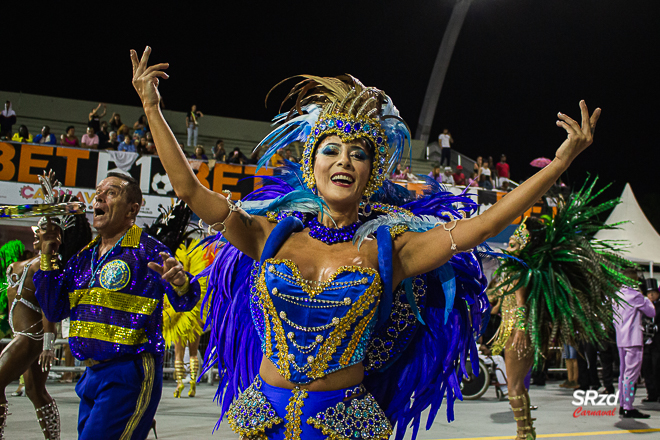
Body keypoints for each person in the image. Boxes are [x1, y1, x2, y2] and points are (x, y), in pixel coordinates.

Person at [132, 47, 599, 439]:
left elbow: (478, 228)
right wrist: (152, 109)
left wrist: (557, 166)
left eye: (358, 154)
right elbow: (190, 190)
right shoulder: (267, 234)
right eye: (330, 150)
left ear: (371, 174)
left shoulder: (390, 251)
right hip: (262, 416)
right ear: (312, 166)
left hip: (342, 422)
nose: (344, 161)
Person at [35, 172, 201, 439]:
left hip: (129, 373)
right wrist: (47, 255)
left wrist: (181, 283)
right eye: (98, 192)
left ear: (132, 209)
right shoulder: (83, 258)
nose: (99, 196)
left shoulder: (148, 251)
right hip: (90, 377)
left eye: (111, 192)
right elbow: (54, 309)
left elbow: (185, 301)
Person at [489, 187, 634, 440]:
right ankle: (526, 431)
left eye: (515, 240)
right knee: (518, 385)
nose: (510, 243)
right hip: (519, 331)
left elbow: (521, 302)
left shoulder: (518, 270)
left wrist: (521, 329)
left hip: (517, 333)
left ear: (524, 243)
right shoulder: (522, 268)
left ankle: (523, 433)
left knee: (513, 386)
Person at [0, 173, 93, 440]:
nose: (36, 234)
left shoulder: (47, 265)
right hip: (23, 337)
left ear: (55, 238)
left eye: (42, 231)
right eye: (37, 230)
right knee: (35, 392)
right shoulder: (24, 264)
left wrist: (48, 345)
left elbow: (48, 307)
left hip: (31, 338)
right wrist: (49, 195)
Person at [144, 201, 214, 398]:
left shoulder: (177, 256)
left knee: (178, 351)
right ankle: (191, 382)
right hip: (191, 311)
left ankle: (179, 384)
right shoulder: (194, 256)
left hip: (180, 309)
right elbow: (201, 282)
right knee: (192, 350)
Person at [613, 270, 656, 418]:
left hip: (620, 339)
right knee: (631, 376)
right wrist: (644, 298)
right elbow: (651, 312)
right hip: (633, 339)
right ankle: (628, 407)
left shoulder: (616, 294)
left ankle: (623, 404)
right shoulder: (635, 295)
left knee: (623, 374)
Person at [642, 278, 660, 403]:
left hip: (658, 343)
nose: (651, 295)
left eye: (653, 292)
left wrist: (656, 327)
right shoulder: (644, 306)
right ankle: (651, 394)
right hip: (646, 343)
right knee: (647, 368)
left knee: (657, 368)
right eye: (649, 293)